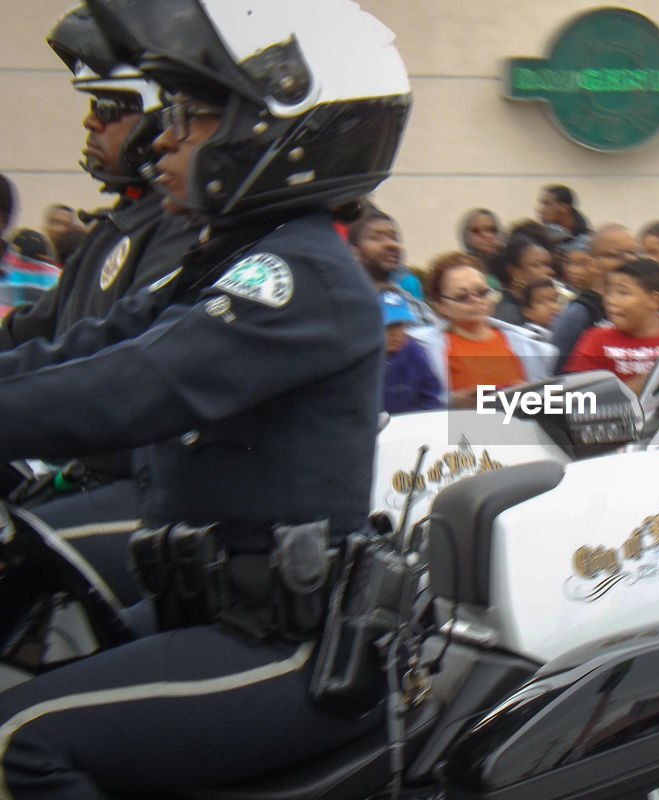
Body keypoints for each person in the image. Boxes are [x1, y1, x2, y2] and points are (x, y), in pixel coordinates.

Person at [0, 1, 412, 797]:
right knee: (29, 663)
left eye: (190, 117)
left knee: (21, 742)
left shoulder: (296, 278)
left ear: (274, 134)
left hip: (284, 644)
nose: (163, 138)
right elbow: (87, 347)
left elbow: (136, 387)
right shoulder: (221, 261)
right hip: (208, 612)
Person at [2, 4, 196, 350]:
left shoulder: (181, 224)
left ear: (164, 115)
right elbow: (29, 330)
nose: (90, 122)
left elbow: (114, 357)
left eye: (106, 107)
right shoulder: (113, 227)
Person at [417, 251, 555, 408]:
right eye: (462, 296)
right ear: (440, 305)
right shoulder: (423, 349)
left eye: (482, 292)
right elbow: (416, 405)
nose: (476, 300)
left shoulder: (524, 342)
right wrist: (453, 402)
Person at [564, 258, 659, 394]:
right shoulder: (595, 340)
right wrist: (641, 385)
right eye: (608, 292)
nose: (610, 301)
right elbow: (579, 399)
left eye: (623, 292)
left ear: (655, 301)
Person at [550, 222, 636, 373]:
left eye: (633, 253)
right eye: (618, 255)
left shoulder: (639, 309)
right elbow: (557, 374)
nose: (629, 260)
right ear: (593, 264)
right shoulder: (578, 315)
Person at [381, 289, 442, 413]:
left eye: (399, 325)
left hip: (413, 422)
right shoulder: (362, 357)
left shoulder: (414, 351)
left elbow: (430, 394)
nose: (395, 333)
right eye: (387, 326)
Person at [349, 207, 422, 300]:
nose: (392, 244)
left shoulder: (410, 304)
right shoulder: (337, 297)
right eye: (376, 237)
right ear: (354, 251)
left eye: (394, 238)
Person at [492, 232, 554, 326]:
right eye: (536, 265)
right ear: (515, 271)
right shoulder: (508, 315)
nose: (549, 271)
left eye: (547, 265)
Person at [519, 277, 560, 341]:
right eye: (543, 303)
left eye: (554, 301)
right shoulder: (528, 337)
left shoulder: (558, 330)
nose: (553, 306)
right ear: (527, 312)